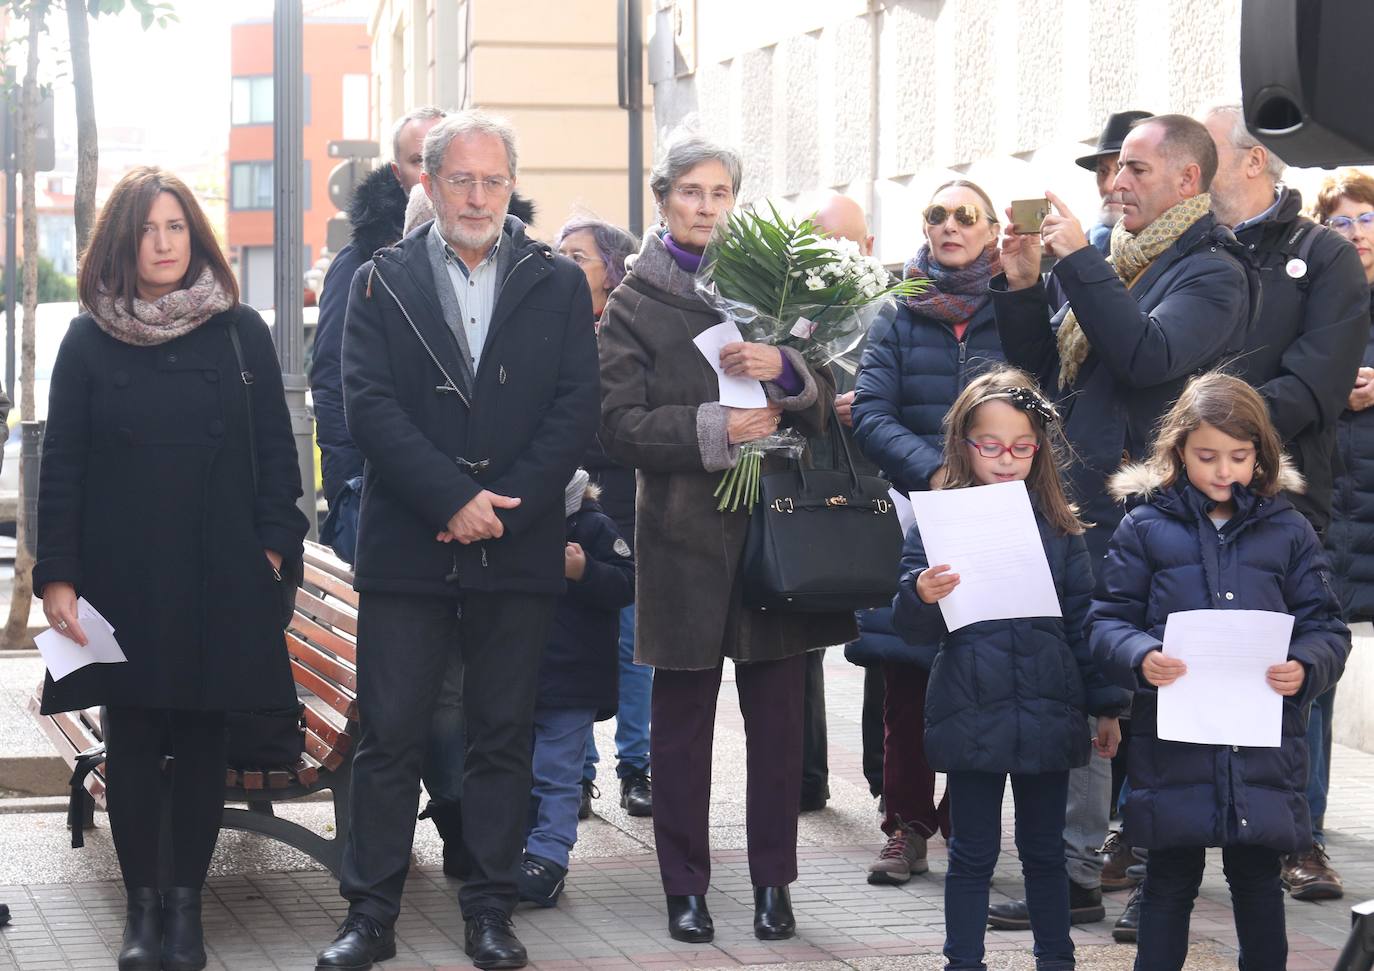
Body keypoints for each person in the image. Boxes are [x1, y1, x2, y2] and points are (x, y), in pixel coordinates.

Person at [316, 110, 600, 971]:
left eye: (493, 180)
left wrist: (496, 507)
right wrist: (450, 495)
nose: (478, 196)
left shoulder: (554, 281)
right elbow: (367, 405)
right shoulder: (380, 279)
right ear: (429, 185)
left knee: (499, 736)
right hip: (410, 544)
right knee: (391, 736)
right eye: (460, 179)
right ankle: (370, 915)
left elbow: (575, 410)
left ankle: (489, 910)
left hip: (515, 545)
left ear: (511, 186)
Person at [36, 167, 309, 971]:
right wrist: (57, 575)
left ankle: (185, 907)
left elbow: (279, 458)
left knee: (199, 734)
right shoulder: (88, 337)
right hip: (121, 577)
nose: (163, 243)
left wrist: (269, 546)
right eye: (148, 229)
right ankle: (142, 908)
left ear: (196, 237)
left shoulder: (238, 331)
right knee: (131, 733)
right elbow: (64, 466)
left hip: (219, 572)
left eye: (177, 227)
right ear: (122, 241)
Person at [989, 114, 1252, 930]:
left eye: (1134, 169)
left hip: (1163, 519)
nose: (1114, 184)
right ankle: (1071, 873)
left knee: (1156, 707)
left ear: (1186, 180)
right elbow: (1046, 377)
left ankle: (1151, 883)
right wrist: (1031, 282)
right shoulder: (1111, 264)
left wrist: (1076, 266)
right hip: (1088, 510)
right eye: (1111, 172)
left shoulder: (1213, 273)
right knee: (1087, 692)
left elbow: (1145, 358)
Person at [598, 134, 854, 945]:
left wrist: (786, 366)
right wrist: (719, 427)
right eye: (691, 193)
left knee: (778, 728)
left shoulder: (768, 281)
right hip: (682, 539)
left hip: (775, 535)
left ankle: (774, 884)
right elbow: (618, 427)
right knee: (681, 731)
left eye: (720, 193)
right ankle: (685, 887)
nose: (706, 207)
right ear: (664, 199)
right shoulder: (634, 301)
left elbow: (825, 402)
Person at [1089, 372, 1349, 971]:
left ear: (1260, 454)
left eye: (1238, 456)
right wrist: (1140, 656)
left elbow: (1326, 627)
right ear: (1178, 449)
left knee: (1257, 883)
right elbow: (1107, 620)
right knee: (1167, 882)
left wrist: (1304, 665)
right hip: (1175, 741)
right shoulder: (1145, 527)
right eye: (1207, 456)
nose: (1223, 470)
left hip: (1260, 745)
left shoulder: (1290, 529)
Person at [893, 367, 1125, 971]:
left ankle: (1057, 959)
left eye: (1022, 447)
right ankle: (962, 961)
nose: (1006, 459)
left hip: (1050, 708)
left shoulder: (1060, 525)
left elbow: (1083, 622)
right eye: (990, 446)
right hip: (971, 708)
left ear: (1040, 449)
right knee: (971, 853)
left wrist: (1105, 705)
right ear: (963, 444)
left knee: (1044, 853)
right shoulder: (938, 520)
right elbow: (911, 630)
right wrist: (921, 593)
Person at [849, 180, 1007, 885]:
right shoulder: (897, 312)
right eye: (936, 214)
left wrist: (1000, 476)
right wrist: (937, 473)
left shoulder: (1018, 309)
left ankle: (962, 816)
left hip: (1003, 514)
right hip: (920, 513)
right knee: (906, 672)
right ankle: (906, 824)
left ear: (993, 230)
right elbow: (872, 412)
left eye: (964, 215)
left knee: (987, 673)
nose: (949, 225)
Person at [313, 106, 445, 565]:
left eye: (443, 155)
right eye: (418, 160)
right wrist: (348, 486)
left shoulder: (518, 258)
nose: (433, 172)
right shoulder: (359, 265)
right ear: (397, 172)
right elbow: (332, 379)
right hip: (381, 495)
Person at [553, 217, 653, 821]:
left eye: (579, 255)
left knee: (632, 649)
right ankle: (578, 773)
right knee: (573, 649)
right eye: (560, 252)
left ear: (612, 269)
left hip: (624, 515)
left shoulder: (628, 332)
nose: (564, 261)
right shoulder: (551, 327)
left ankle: (635, 767)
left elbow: (630, 429)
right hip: (564, 514)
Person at [517, 469, 635, 906]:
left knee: (557, 773)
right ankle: (518, 851)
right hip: (518, 673)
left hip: (572, 679)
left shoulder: (592, 525)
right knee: (519, 769)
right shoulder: (511, 518)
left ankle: (549, 858)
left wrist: (585, 571)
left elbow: (626, 582)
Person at [1306, 169, 1374, 901]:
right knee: (1319, 669)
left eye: (1366, 219)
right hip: (1335, 508)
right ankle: (1308, 831)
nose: (1356, 232)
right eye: (1343, 221)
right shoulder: (1321, 296)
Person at [802, 192, 882, 813]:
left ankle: (887, 780)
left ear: (869, 248)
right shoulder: (781, 316)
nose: (834, 257)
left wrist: (879, 409)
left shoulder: (894, 312)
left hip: (878, 490)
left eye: (845, 243)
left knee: (885, 635)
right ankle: (806, 774)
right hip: (801, 490)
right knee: (799, 630)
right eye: (820, 243)